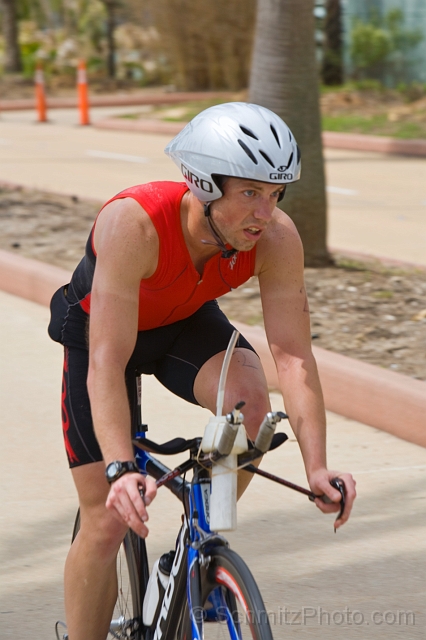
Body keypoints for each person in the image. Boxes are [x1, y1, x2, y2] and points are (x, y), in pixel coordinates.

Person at [48, 102, 356, 640]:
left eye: (276, 194)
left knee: (252, 408)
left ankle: (195, 550)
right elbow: (106, 360)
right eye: (250, 192)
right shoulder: (134, 224)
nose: (265, 212)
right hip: (100, 335)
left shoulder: (276, 239)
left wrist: (316, 466)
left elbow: (293, 356)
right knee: (104, 518)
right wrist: (121, 470)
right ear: (204, 184)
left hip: (183, 322)